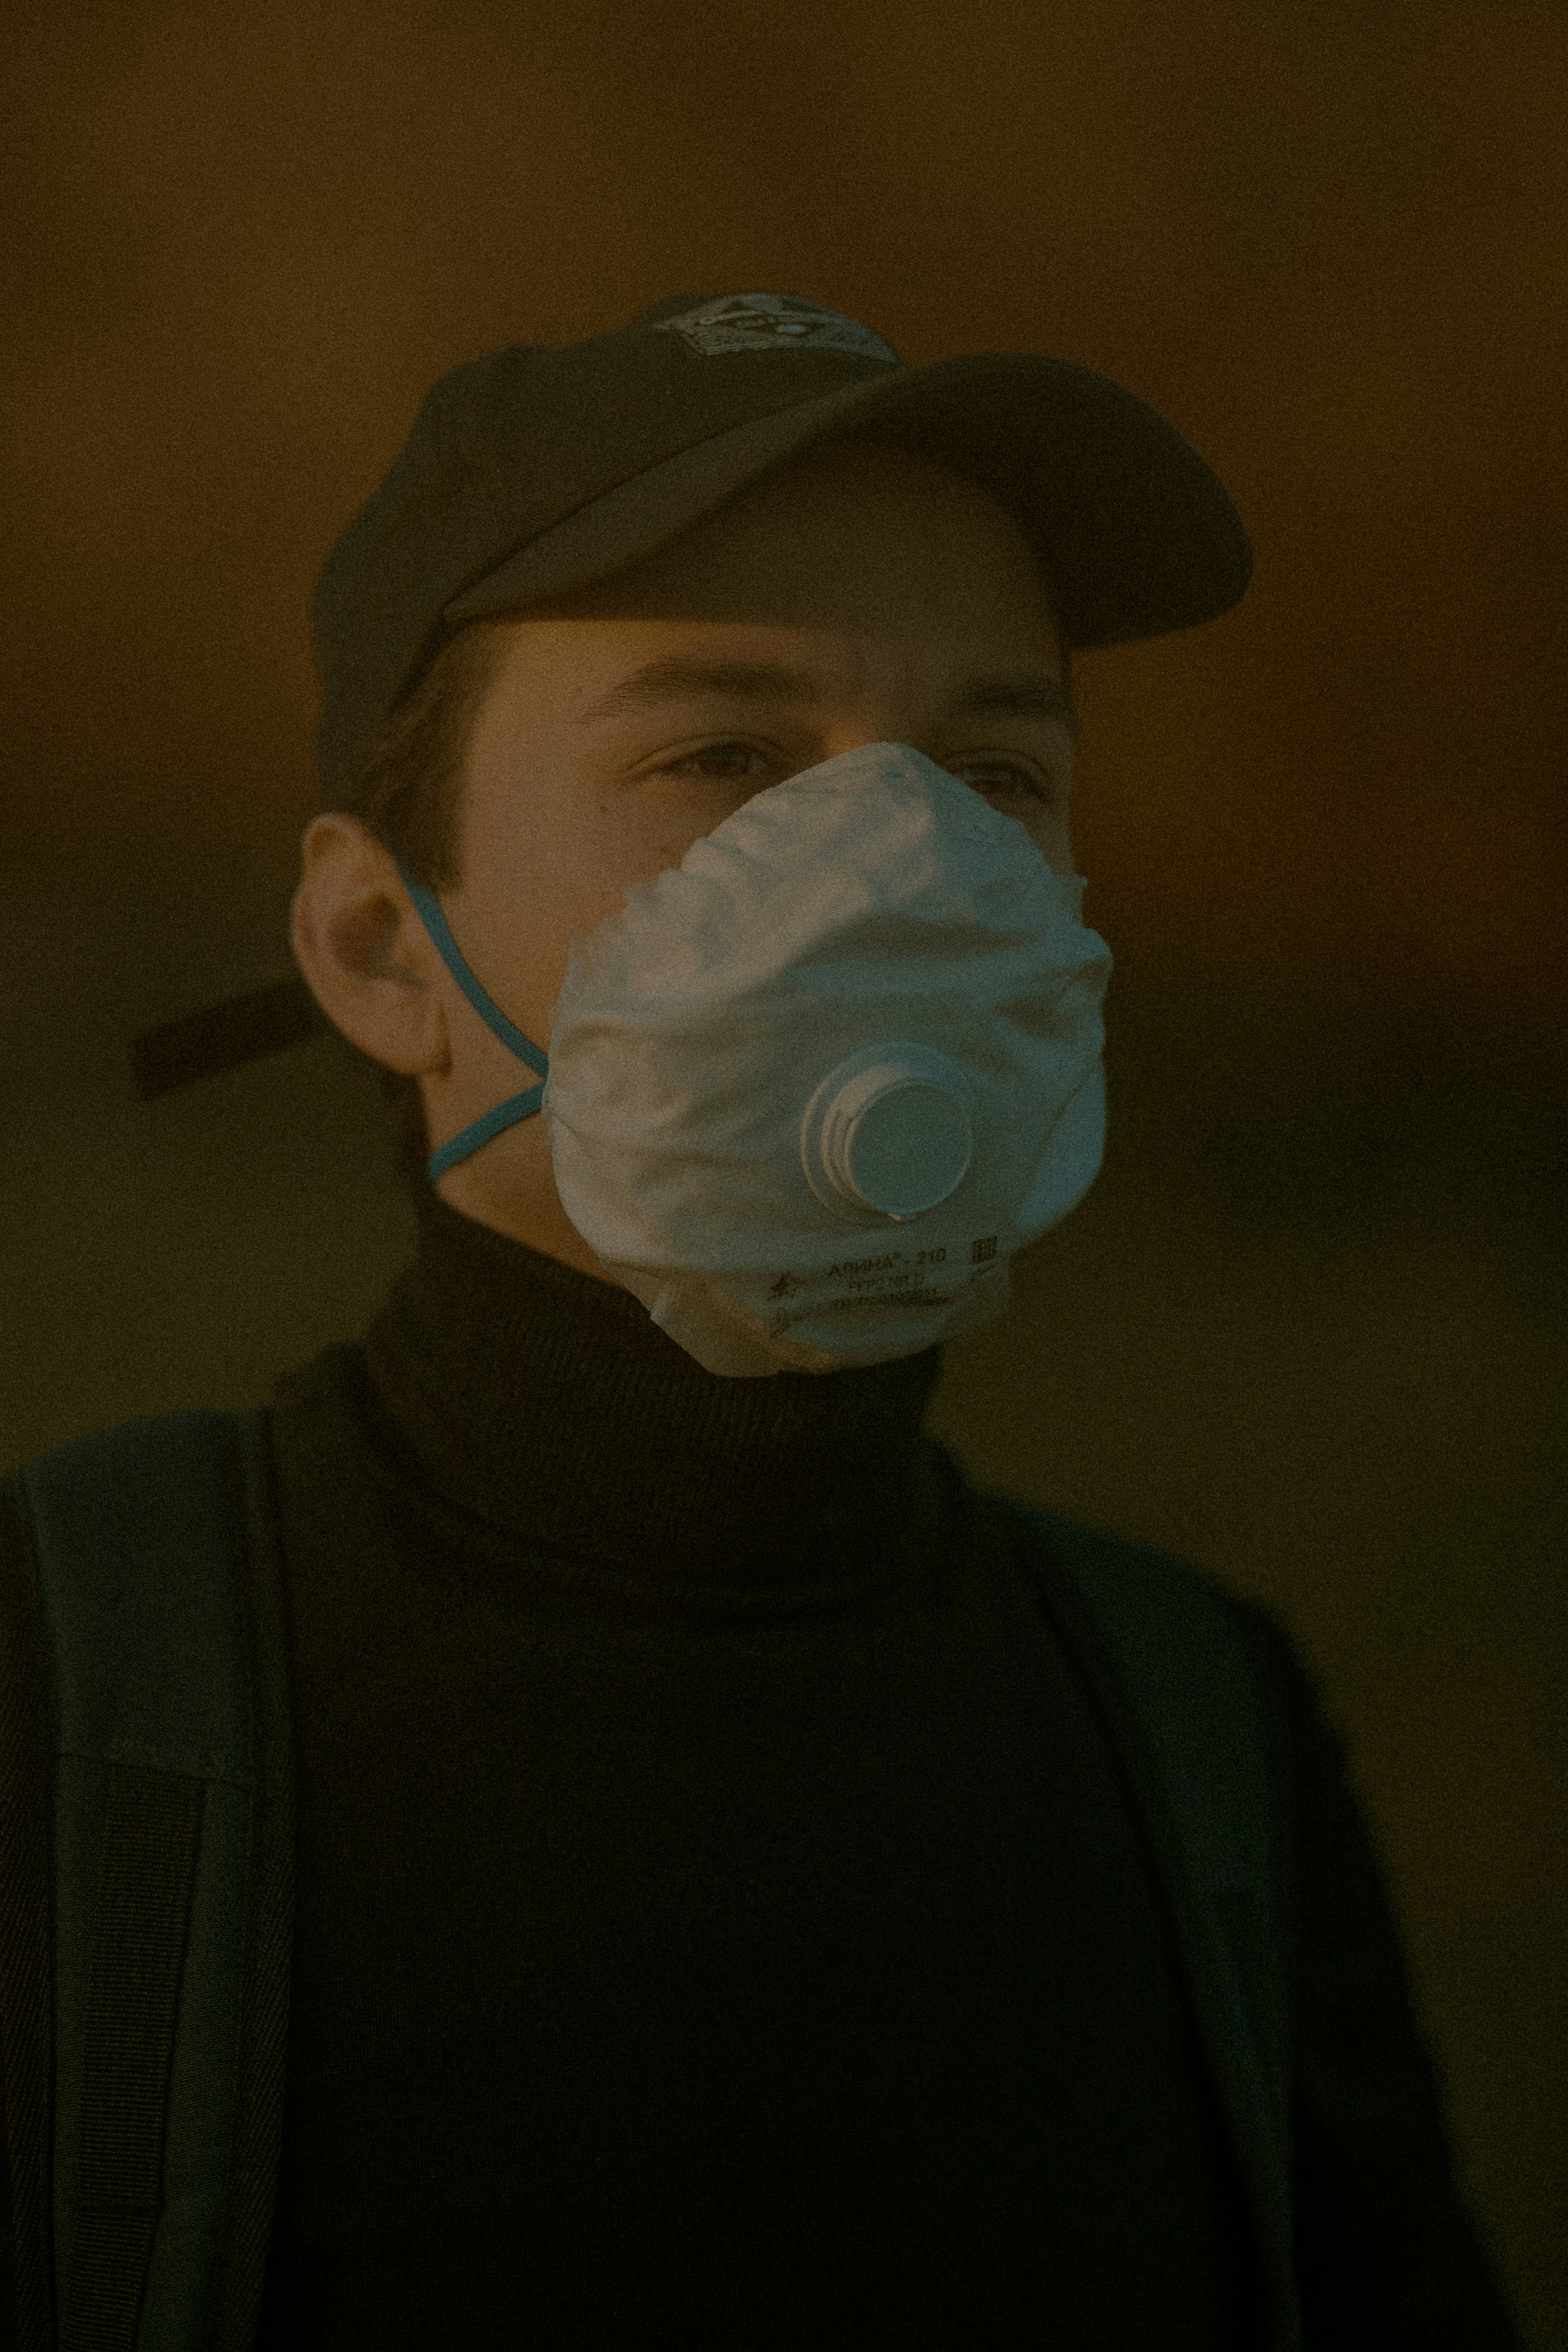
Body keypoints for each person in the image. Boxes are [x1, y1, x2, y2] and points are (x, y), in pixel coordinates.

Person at [5, 292, 1526, 2348]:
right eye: (724, 752)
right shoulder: (63, 1689)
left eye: (993, 770)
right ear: (379, 948)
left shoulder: (1204, 1745)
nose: (906, 873)